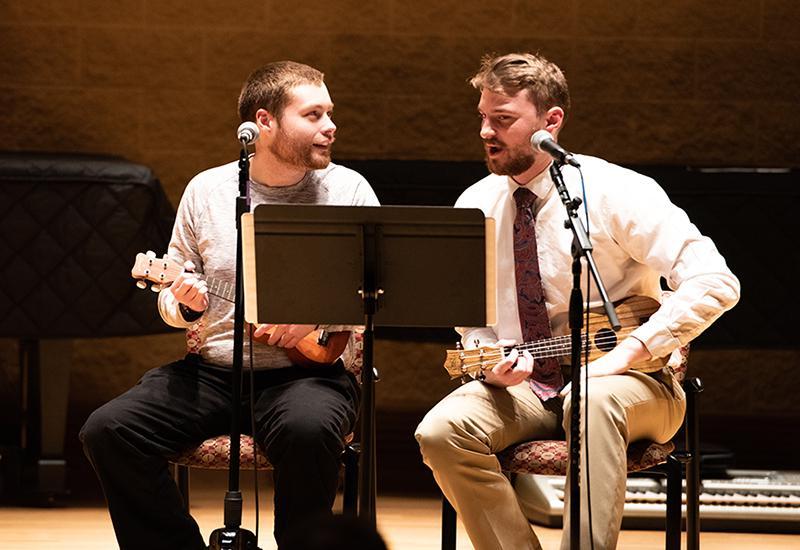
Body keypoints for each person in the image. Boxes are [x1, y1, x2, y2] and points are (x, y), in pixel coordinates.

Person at [415, 52, 740, 550]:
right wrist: (489, 362)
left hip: (635, 384)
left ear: (551, 121)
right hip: (530, 387)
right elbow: (472, 320)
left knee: (589, 398)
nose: (485, 131)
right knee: (441, 433)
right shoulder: (476, 203)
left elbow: (716, 280)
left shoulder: (618, 192)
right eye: (482, 116)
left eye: (502, 120)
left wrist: (630, 353)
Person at [80, 61, 380, 550]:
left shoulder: (349, 191)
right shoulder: (208, 190)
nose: (330, 126)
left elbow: (374, 291)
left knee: (309, 429)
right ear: (264, 122)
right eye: (313, 114)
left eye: (330, 113)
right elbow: (170, 300)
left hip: (309, 376)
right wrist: (187, 304)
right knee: (109, 429)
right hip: (213, 372)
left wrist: (318, 316)